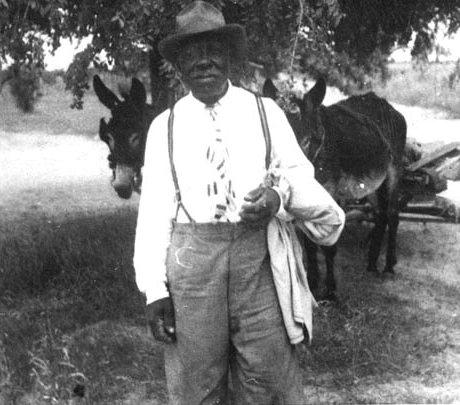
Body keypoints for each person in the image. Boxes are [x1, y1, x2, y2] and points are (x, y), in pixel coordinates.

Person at [133, 2, 345, 403]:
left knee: (269, 380)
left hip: (257, 259)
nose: (204, 61)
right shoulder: (166, 127)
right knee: (196, 387)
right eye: (191, 53)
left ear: (229, 55)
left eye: (212, 48)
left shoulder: (265, 114)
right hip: (192, 266)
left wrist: (277, 198)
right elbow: (154, 213)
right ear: (178, 64)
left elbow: (301, 177)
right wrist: (154, 290)